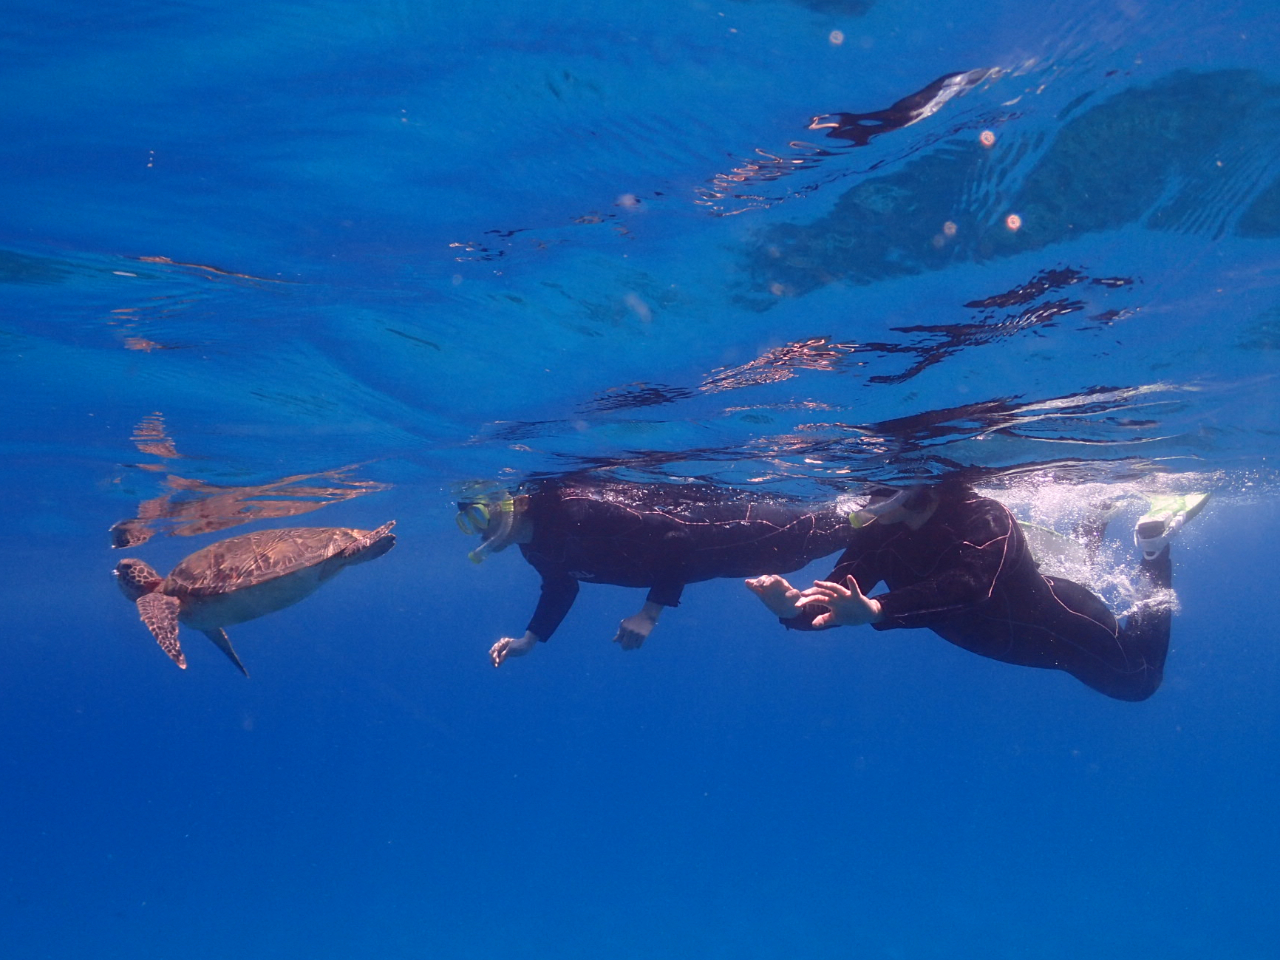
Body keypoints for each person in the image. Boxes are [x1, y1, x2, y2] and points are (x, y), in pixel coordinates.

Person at [746, 481, 1209, 701]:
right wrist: (790, 610)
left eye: (877, 496)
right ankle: (1094, 520)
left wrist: (877, 609)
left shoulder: (984, 517)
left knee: (1139, 682)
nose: (864, 507)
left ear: (917, 490)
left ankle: (1153, 548)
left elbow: (970, 588)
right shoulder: (879, 530)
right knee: (1076, 567)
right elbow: (839, 601)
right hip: (1008, 627)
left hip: (1064, 625)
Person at [458, 477, 867, 667]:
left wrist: (648, 614)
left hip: (750, 531)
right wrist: (530, 639)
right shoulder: (536, 547)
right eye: (469, 525)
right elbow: (560, 586)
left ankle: (885, 500)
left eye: (479, 514)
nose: (481, 530)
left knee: (835, 528)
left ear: (512, 502)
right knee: (833, 536)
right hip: (733, 561)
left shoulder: (579, 509)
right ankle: (880, 509)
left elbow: (677, 541)